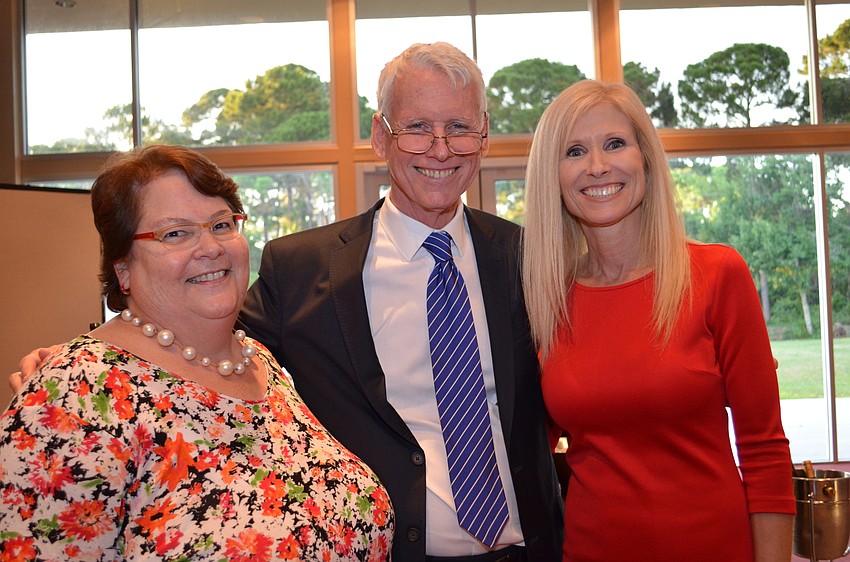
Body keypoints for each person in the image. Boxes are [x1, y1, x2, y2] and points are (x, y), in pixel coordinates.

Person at [10, 43, 564, 562]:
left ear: (485, 137)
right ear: (380, 136)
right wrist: (69, 366)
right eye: (417, 127)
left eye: (460, 128)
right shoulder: (300, 270)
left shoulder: (529, 257)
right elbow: (194, 344)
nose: (440, 149)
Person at [0, 145, 394, 561]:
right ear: (123, 269)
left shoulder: (260, 363)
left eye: (222, 224)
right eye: (175, 233)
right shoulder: (76, 394)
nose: (210, 247)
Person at [521, 80, 795, 562]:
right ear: (553, 175)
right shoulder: (545, 300)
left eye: (614, 144)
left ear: (645, 157)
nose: (597, 166)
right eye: (574, 151)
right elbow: (523, 451)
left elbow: (765, 451)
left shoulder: (716, 276)